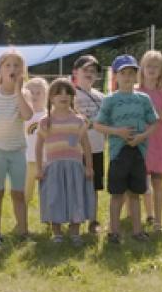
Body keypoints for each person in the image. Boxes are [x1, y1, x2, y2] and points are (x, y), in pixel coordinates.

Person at [94, 55, 158, 244]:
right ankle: (114, 232)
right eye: (124, 73)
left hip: (138, 152)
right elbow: (97, 125)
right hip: (117, 154)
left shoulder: (143, 99)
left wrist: (141, 137)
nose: (128, 77)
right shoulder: (110, 100)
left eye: (132, 73)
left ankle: (137, 231)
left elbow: (154, 123)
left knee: (135, 194)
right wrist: (118, 132)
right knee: (116, 194)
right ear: (116, 76)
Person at [36, 79, 94, 246]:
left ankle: (75, 232)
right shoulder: (45, 122)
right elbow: (39, 147)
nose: (64, 96)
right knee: (55, 199)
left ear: (73, 97)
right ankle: (57, 233)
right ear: (51, 98)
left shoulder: (78, 121)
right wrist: (39, 169)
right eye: (59, 92)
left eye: (68, 92)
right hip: (53, 168)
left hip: (75, 168)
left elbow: (86, 146)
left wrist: (89, 167)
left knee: (75, 198)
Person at [0, 49, 33, 249]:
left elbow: (27, 115)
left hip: (17, 152)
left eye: (17, 66)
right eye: (8, 65)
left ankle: (23, 231)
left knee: (18, 193)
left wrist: (18, 92)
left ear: (23, 71)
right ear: (0, 70)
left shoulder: (24, 93)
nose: (12, 69)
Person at [137, 50, 162, 233]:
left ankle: (158, 221)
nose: (152, 69)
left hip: (158, 141)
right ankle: (141, 215)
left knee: (157, 181)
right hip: (140, 141)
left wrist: (157, 111)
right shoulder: (135, 91)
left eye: (156, 66)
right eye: (148, 66)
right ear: (142, 69)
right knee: (138, 180)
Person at [71, 55, 106, 235]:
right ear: (75, 72)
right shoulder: (70, 94)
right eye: (86, 70)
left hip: (97, 147)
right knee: (75, 185)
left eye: (93, 71)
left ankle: (93, 220)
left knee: (94, 186)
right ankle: (74, 219)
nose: (90, 74)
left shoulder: (102, 96)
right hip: (75, 150)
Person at [24, 77, 49, 206]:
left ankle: (47, 218)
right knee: (25, 193)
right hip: (27, 160)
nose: (34, 95)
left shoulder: (48, 115)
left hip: (45, 160)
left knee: (46, 191)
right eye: (31, 92)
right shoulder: (24, 115)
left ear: (45, 94)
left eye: (38, 92)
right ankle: (21, 218)